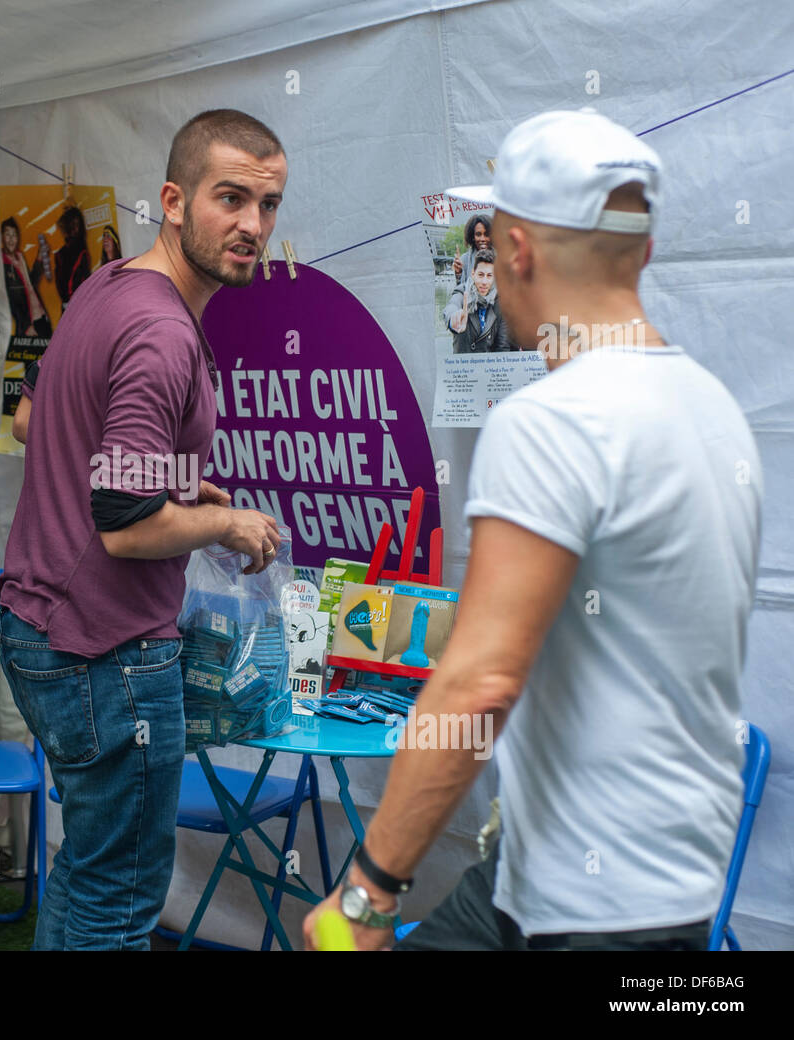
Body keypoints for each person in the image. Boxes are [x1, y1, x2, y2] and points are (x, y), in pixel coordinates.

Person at [305, 109, 763, 952]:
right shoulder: (715, 411)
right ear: (645, 251)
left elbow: (480, 683)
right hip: (609, 886)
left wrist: (367, 894)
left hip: (594, 908)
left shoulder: (554, 420)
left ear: (511, 251)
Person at [0, 108, 287, 949]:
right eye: (229, 198)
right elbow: (124, 530)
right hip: (104, 654)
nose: (252, 226)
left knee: (88, 881)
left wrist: (173, 475)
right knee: (119, 906)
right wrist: (225, 521)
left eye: (267, 206)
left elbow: (35, 419)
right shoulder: (163, 332)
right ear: (172, 198)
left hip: (39, 629)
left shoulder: (112, 284)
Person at [449, 249, 512, 352]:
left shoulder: (500, 304)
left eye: (489, 276)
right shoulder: (462, 292)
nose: (484, 282)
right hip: (463, 365)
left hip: (489, 365)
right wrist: (453, 318)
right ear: (473, 274)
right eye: (481, 275)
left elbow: (502, 347)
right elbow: (451, 306)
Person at [1, 216, 53, 339]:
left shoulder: (20, 256)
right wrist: (25, 327)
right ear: (2, 237)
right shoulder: (1, 264)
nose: (11, 239)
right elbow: (10, 300)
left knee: (51, 356)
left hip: (41, 317)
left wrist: (39, 258)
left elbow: (31, 282)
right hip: (28, 326)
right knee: (31, 358)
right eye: (7, 234)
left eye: (14, 235)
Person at [441, 215, 492, 331]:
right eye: (478, 234)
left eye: (486, 234)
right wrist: (459, 274)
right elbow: (460, 293)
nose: (482, 238)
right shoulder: (464, 260)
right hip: (470, 322)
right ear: (472, 237)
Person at [53, 205, 92, 305]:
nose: (75, 228)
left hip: (78, 303)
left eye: (77, 224)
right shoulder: (60, 254)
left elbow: (85, 280)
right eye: (72, 224)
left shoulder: (82, 252)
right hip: (72, 303)